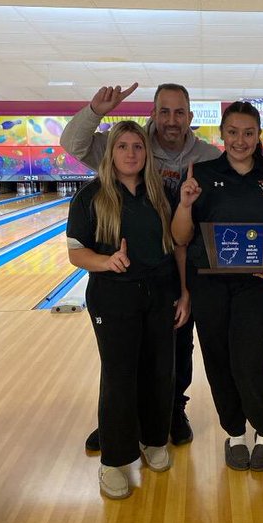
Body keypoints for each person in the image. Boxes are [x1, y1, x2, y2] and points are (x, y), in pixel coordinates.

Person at [61, 80, 263, 453]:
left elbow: (241, 163)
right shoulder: (132, 144)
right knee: (127, 353)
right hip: (134, 271)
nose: (171, 119)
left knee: (177, 347)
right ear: (153, 114)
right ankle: (120, 421)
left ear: (190, 116)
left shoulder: (209, 153)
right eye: (164, 111)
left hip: (189, 263)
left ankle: (172, 411)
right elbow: (73, 145)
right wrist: (96, 111)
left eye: (179, 112)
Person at [171, 101, 263, 471]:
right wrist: (185, 204)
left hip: (258, 283)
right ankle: (234, 431)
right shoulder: (201, 174)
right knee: (217, 357)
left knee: (248, 355)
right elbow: (181, 237)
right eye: (233, 132)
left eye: (248, 132)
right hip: (208, 283)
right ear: (222, 134)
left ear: (258, 136)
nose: (240, 140)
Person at [66, 121, 178, 499]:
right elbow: (76, 253)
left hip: (160, 294)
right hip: (113, 298)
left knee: (160, 372)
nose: (131, 153)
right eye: (123, 146)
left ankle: (152, 440)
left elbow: (178, 244)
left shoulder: (162, 193)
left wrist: (184, 293)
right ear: (111, 152)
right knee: (119, 378)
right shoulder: (90, 196)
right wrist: (107, 262)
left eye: (138, 147)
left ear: (146, 154)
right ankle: (113, 461)